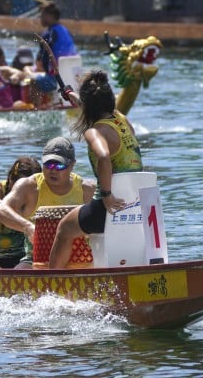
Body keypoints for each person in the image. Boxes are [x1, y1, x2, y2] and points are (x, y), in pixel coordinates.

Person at [49, 71, 143, 269]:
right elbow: (90, 106)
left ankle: (52, 285)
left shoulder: (95, 132)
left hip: (108, 207)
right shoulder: (122, 120)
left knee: (64, 228)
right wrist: (70, 94)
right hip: (136, 203)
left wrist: (107, 195)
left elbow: (103, 156)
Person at [0, 137, 95, 267]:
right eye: (48, 164)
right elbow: (1, 211)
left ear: (72, 165)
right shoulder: (29, 186)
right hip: (36, 259)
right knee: (20, 272)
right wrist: (28, 227)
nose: (53, 170)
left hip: (81, 258)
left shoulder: (87, 189)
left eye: (59, 165)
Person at [0, 157, 42, 268]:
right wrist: (15, 211)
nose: (26, 190)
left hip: (23, 259)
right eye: (23, 185)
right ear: (10, 180)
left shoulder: (36, 193)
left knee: (25, 270)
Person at [38, 1, 78, 73]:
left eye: (42, 15)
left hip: (56, 76)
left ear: (50, 16)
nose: (40, 18)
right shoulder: (65, 30)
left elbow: (44, 61)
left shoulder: (48, 34)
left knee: (27, 73)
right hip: (71, 73)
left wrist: (45, 73)